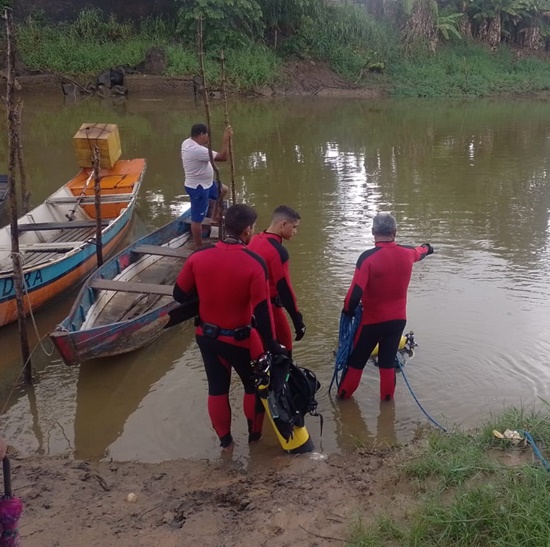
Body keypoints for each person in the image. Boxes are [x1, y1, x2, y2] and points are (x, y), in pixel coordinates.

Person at [173, 203, 284, 451]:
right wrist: (274, 347)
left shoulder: (197, 257)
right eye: (253, 229)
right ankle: (254, 439)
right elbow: (263, 313)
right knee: (252, 386)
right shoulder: (254, 263)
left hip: (207, 337)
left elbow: (179, 294)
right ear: (246, 231)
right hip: (241, 340)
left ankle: (226, 445)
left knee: (217, 388)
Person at [337, 212, 434, 401]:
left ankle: (343, 399)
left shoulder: (367, 258)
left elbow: (353, 295)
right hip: (397, 321)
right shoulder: (408, 253)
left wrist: (348, 312)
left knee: (356, 361)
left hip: (371, 321)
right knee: (387, 362)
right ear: (395, 232)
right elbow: (420, 252)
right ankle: (387, 402)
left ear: (373, 232)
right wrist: (428, 248)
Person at [247, 205, 306, 355]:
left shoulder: (253, 240)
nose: (295, 231)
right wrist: (297, 321)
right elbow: (285, 289)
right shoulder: (278, 252)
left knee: (262, 354)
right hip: (270, 310)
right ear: (283, 224)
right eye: (294, 227)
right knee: (285, 354)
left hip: (249, 310)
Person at [181, 123, 231, 248]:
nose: (209, 137)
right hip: (199, 188)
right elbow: (223, 157)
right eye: (207, 134)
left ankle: (214, 217)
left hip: (207, 183)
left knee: (223, 190)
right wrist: (226, 139)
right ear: (202, 135)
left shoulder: (186, 142)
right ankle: (199, 248)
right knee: (197, 220)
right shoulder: (197, 150)